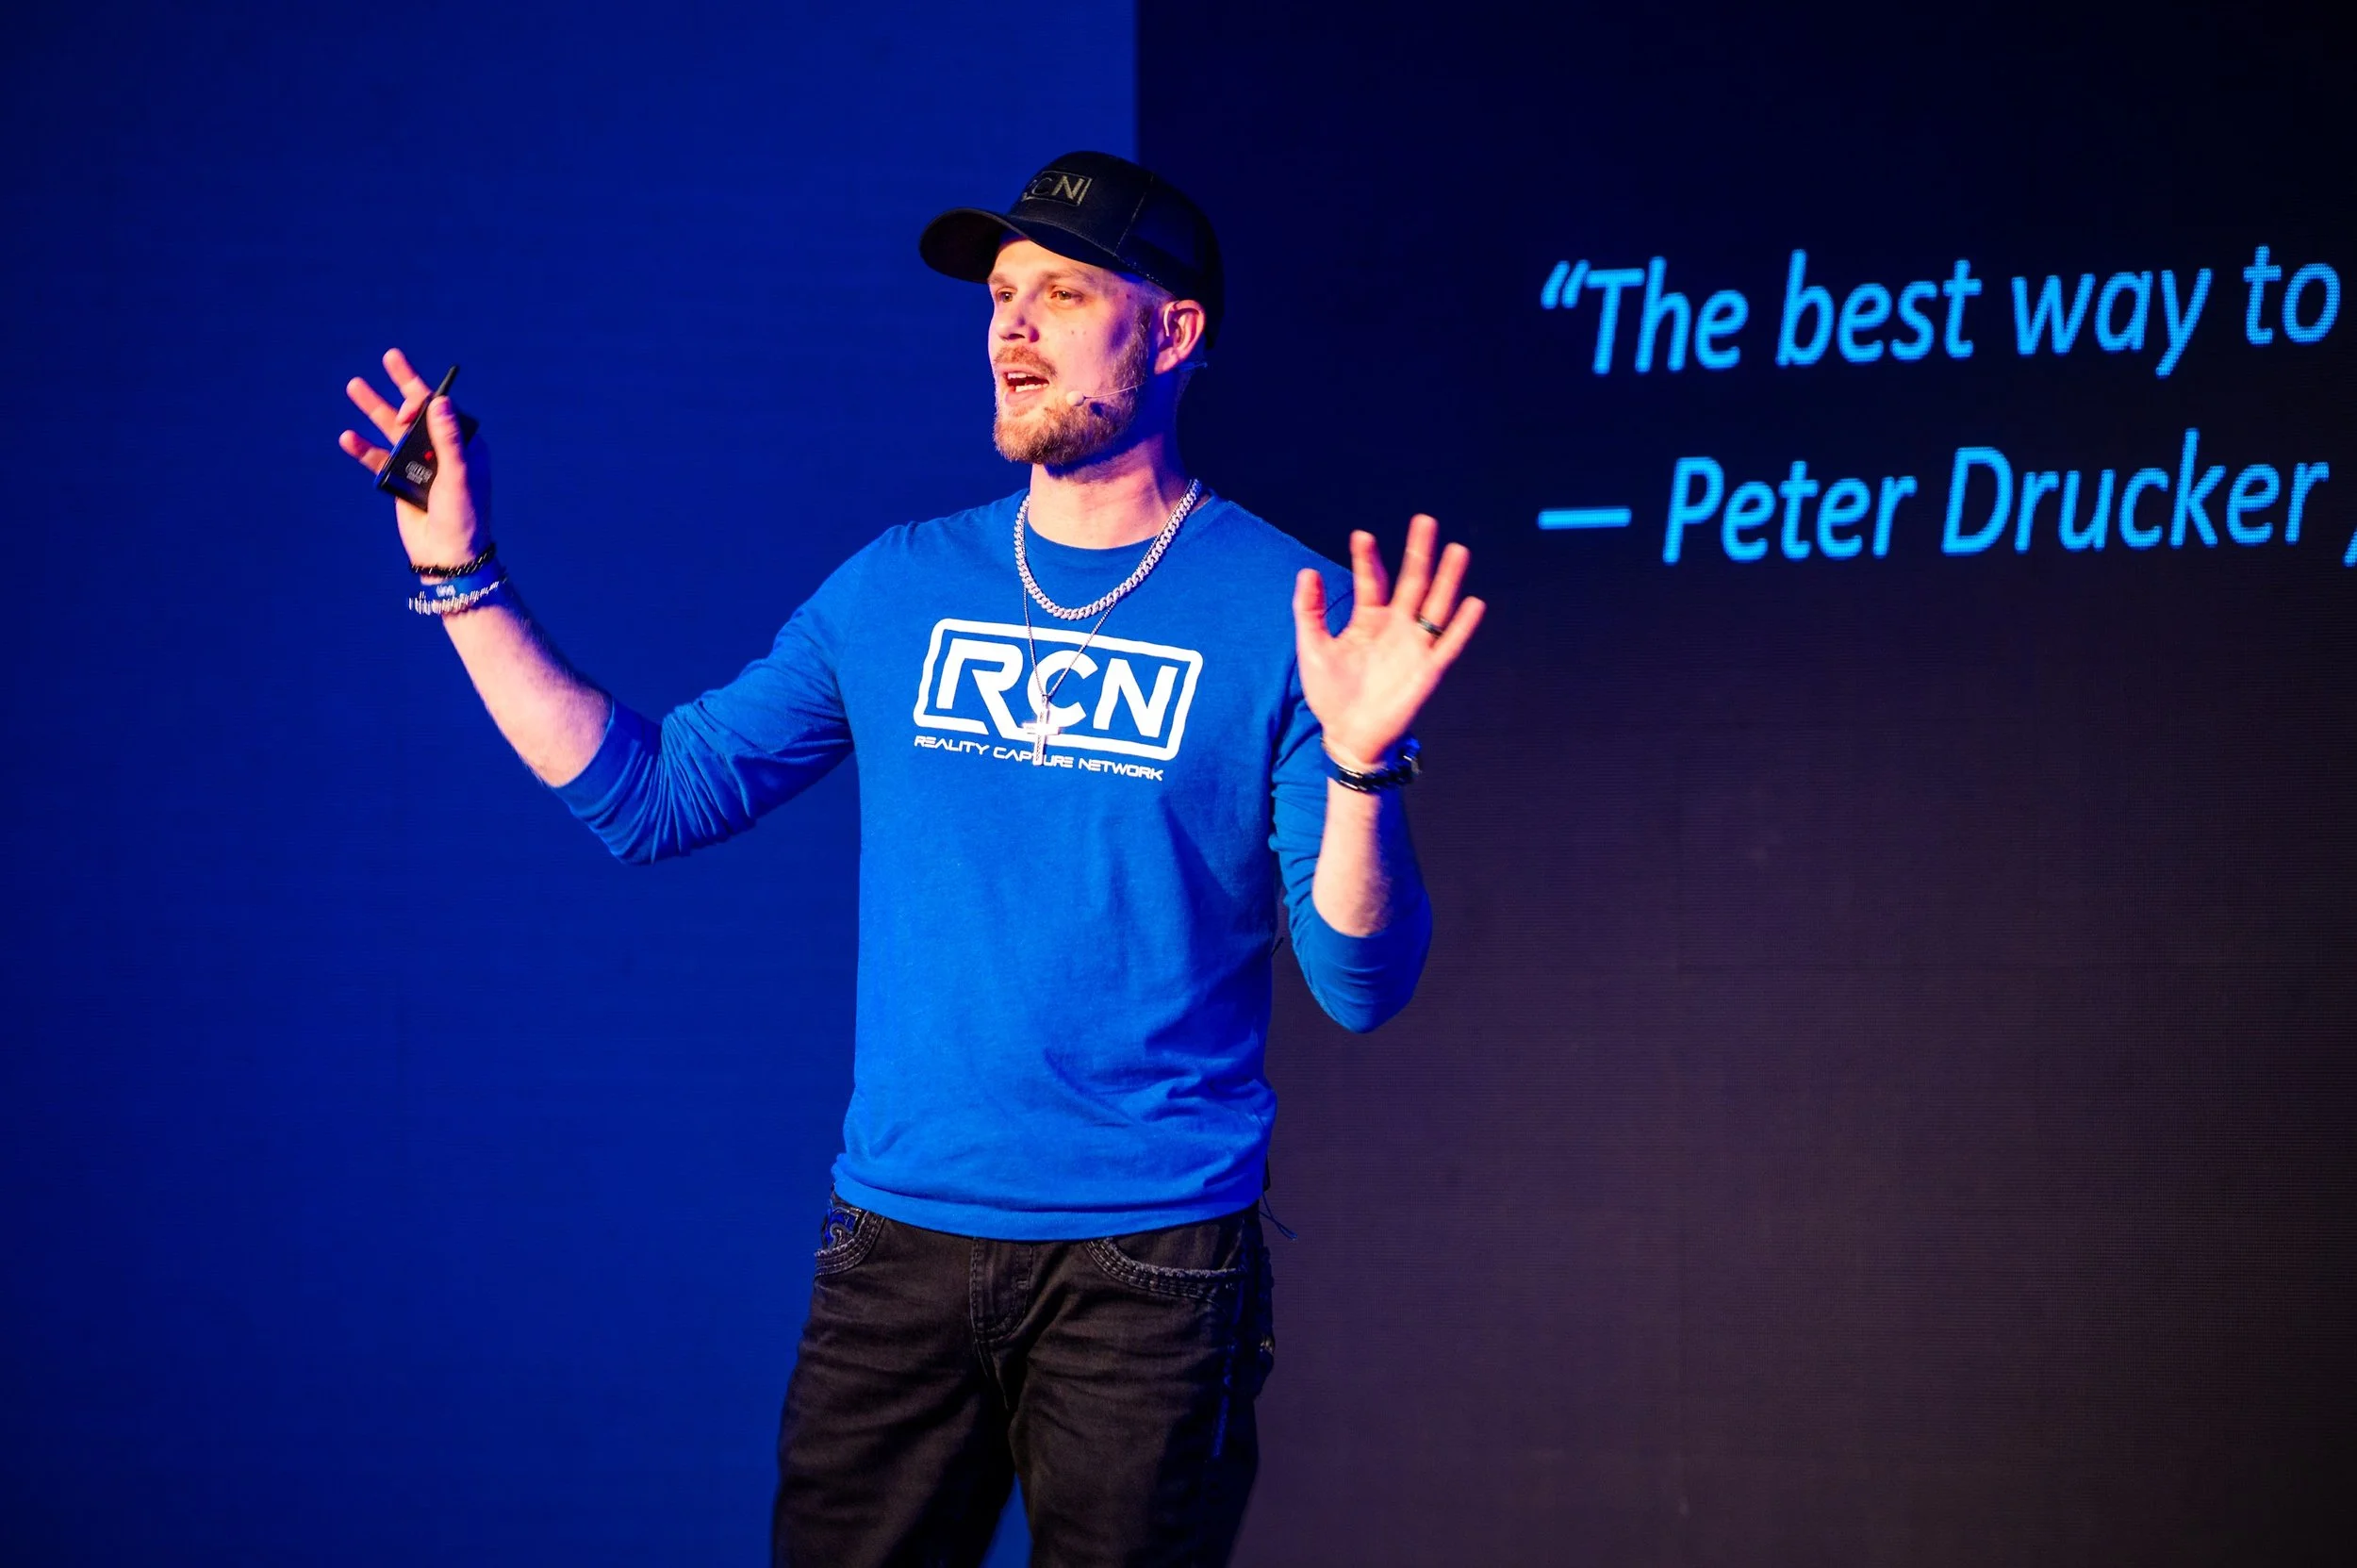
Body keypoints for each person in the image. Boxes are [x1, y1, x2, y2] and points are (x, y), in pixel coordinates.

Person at [337, 150, 1483, 1567]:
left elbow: (1362, 981)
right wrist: (462, 577)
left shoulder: (1286, 608)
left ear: (1175, 333)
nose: (1012, 328)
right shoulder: (898, 584)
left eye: (1062, 293)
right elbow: (653, 795)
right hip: (895, 1251)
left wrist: (1364, 763)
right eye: (1001, 296)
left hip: (1151, 1271)